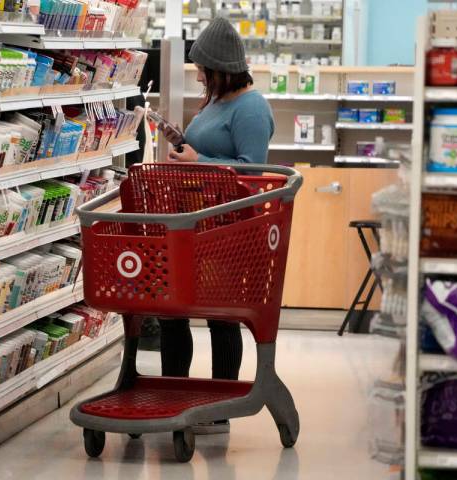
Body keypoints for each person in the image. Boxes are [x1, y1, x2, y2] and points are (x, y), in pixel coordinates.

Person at [158, 17, 275, 434]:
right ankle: (173, 399)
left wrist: (199, 162)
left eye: (204, 70)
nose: (199, 76)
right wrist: (180, 144)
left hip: (229, 231)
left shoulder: (251, 107)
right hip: (193, 225)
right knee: (172, 313)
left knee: (220, 317)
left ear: (222, 69)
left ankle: (221, 407)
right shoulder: (215, 103)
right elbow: (205, 151)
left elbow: (254, 175)